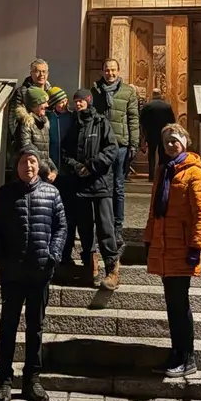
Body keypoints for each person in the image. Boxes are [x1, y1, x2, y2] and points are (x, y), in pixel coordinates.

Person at [0, 145, 67, 401]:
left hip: (40, 273)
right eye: (23, 162)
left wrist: (53, 255)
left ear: (38, 165)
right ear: (16, 166)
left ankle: (32, 380)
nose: (28, 166)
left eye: (32, 161)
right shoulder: (5, 194)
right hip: (13, 274)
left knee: (36, 328)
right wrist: (1, 260)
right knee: (8, 327)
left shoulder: (51, 193)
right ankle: (4, 381)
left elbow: (61, 227)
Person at [144, 123, 201, 378]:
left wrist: (196, 247)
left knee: (180, 304)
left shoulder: (193, 172)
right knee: (172, 304)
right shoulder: (163, 170)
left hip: (181, 248)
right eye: (167, 141)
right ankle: (176, 353)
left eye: (175, 140)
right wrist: (149, 239)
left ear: (185, 142)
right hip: (164, 247)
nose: (171, 144)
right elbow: (154, 210)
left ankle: (188, 357)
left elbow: (200, 214)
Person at [61, 88, 120, 290]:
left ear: (89, 101)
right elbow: (65, 153)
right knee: (85, 229)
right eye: (75, 101)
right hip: (81, 185)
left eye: (81, 100)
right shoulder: (73, 126)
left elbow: (111, 150)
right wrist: (77, 167)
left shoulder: (101, 123)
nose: (78, 104)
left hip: (100, 184)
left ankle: (112, 269)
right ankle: (89, 266)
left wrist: (91, 166)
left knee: (105, 228)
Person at [91, 58, 139, 251]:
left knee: (118, 187)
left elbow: (133, 118)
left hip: (120, 145)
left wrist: (134, 143)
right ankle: (103, 227)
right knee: (102, 187)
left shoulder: (128, 92)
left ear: (118, 71)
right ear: (102, 71)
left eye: (113, 70)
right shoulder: (95, 91)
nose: (110, 73)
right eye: (107, 70)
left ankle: (117, 227)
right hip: (101, 145)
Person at [46, 87, 78, 263]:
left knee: (68, 216)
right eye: (59, 101)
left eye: (64, 100)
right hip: (51, 173)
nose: (63, 104)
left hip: (69, 173)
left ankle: (66, 252)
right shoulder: (47, 118)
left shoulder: (73, 118)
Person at [6, 58, 50, 158]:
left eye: (44, 71)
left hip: (46, 140)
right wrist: (15, 140)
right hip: (28, 139)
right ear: (31, 73)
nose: (41, 75)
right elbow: (13, 118)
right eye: (37, 71)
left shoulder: (50, 91)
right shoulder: (22, 92)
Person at [13, 87, 55, 177]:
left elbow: (44, 153)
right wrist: (46, 170)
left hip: (41, 174)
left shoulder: (43, 124)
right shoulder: (26, 124)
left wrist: (53, 169)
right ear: (35, 105)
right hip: (29, 175)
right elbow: (28, 150)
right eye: (44, 102)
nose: (47, 105)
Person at [140, 88, 176, 182]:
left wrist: (143, 133)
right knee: (162, 155)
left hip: (151, 133)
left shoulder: (147, 106)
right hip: (163, 133)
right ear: (160, 94)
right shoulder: (167, 106)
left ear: (153, 94)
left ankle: (151, 176)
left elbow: (142, 120)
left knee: (151, 154)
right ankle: (161, 175)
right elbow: (172, 120)